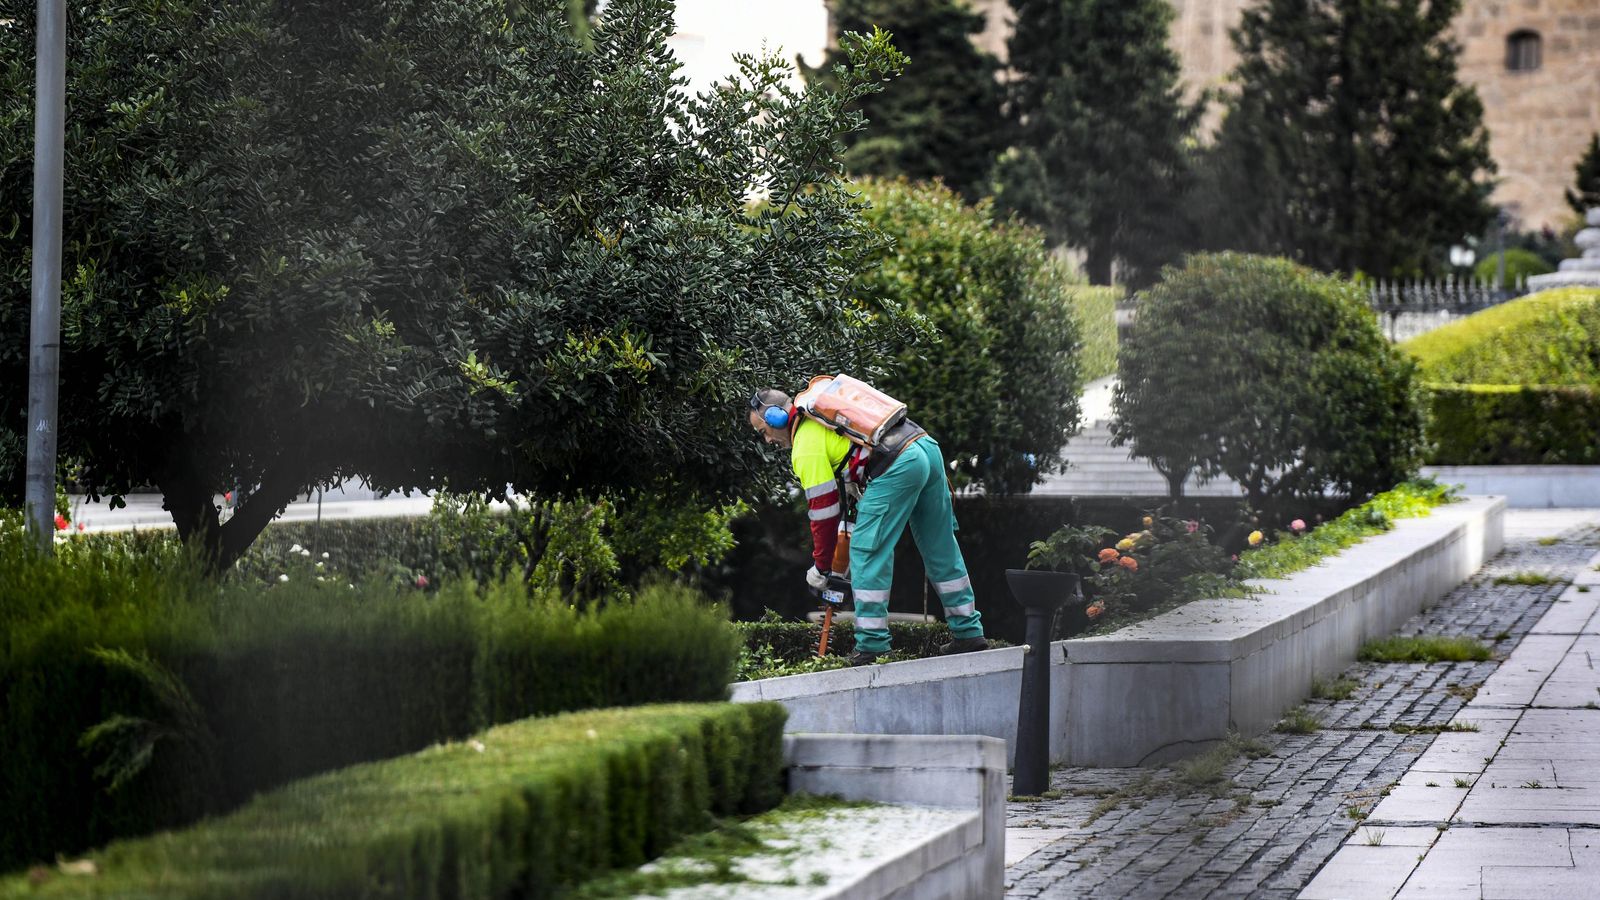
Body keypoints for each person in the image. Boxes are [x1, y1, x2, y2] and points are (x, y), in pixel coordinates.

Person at [747, 387, 987, 665]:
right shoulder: (821, 419)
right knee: (940, 547)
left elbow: (823, 515)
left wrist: (822, 567)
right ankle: (968, 631)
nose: (766, 440)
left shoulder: (804, 445)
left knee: (866, 551)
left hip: (898, 462)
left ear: (776, 418)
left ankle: (873, 645)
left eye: (763, 431)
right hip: (925, 447)